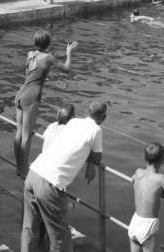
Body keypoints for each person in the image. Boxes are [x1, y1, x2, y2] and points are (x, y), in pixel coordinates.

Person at [21, 100, 107, 252]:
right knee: (60, 236)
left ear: (86, 112)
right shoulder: (96, 130)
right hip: (51, 183)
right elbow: (97, 156)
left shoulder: (73, 122)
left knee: (30, 228)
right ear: (103, 117)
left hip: (34, 173)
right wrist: (91, 164)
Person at [14, 29, 78, 178]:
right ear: (48, 43)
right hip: (31, 97)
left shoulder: (30, 54)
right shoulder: (48, 57)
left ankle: (18, 166)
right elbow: (67, 69)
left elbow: (28, 75)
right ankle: (24, 170)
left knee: (19, 133)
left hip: (20, 93)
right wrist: (69, 52)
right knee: (26, 136)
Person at [128, 142, 164, 252]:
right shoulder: (161, 179)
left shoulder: (138, 172)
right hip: (147, 226)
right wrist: (161, 192)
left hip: (135, 222)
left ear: (145, 158)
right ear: (162, 160)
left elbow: (132, 180)